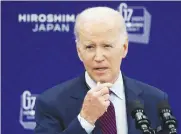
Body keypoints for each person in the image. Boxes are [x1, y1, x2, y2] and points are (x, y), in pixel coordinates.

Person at [34, 6, 169, 134]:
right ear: (79, 51)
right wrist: (85, 120)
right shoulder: (51, 103)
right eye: (90, 47)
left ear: (124, 48)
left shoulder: (155, 100)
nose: (98, 57)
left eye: (107, 46)